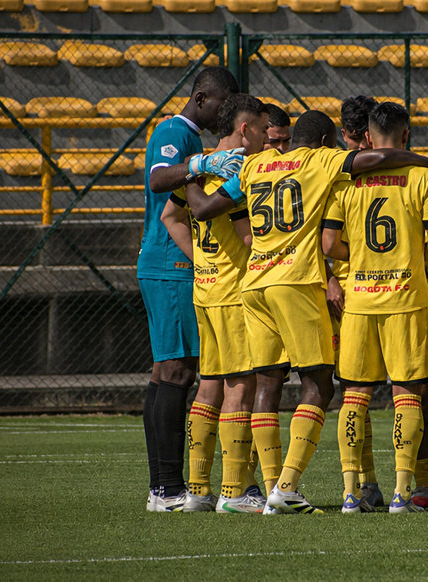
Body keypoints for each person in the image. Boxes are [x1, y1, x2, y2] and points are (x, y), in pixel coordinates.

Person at [187, 110, 428, 515]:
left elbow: (203, 209)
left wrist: (191, 172)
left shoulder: (255, 164)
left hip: (254, 284)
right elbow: (376, 158)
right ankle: (288, 485)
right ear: (326, 142)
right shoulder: (321, 161)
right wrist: (422, 160)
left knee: (267, 385)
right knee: (320, 385)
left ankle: (270, 489)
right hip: (297, 282)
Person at [322, 102, 428, 513]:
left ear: (367, 138)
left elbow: (328, 245)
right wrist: (407, 257)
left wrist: (360, 258)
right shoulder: (422, 176)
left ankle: (350, 493)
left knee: (354, 394)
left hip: (359, 300)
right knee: (407, 393)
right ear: (406, 135)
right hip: (406, 298)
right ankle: (401, 493)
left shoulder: (347, 180)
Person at [138, 66, 238, 512]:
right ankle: (168, 489)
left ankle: (163, 488)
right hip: (170, 264)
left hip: (169, 265)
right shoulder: (174, 131)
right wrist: (201, 164)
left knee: (166, 373)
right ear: (200, 99)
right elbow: (158, 179)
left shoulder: (191, 137)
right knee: (177, 373)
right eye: (221, 104)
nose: (223, 114)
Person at [165, 94, 270, 513]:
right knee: (240, 389)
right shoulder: (242, 171)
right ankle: (234, 491)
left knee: (208, 388)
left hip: (205, 290)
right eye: (262, 129)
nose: (266, 137)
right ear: (245, 129)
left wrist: (201, 261)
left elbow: (170, 218)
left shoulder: (201, 166)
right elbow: (247, 237)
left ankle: (197, 489)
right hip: (233, 294)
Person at [326, 95, 386, 510]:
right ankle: (381, 484)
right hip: (379, 290)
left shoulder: (334, 173)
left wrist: (336, 272)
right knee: (410, 389)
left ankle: (364, 486)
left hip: (357, 292)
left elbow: (321, 239)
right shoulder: (403, 168)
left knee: (357, 391)